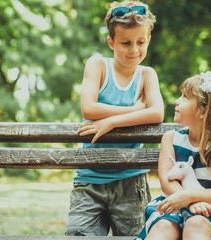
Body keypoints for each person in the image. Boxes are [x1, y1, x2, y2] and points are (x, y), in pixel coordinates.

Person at [66, 1, 164, 236]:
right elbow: (89, 109)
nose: (134, 50)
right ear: (111, 42)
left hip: (131, 180)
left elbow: (157, 113)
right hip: (90, 179)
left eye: (140, 42)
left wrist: (111, 121)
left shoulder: (147, 75)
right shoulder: (98, 65)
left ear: (148, 41)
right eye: (125, 43)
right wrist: (136, 111)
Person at [136, 71, 211, 240]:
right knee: (163, 227)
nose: (177, 101)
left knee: (196, 224)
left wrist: (189, 197)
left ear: (204, 111)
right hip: (173, 206)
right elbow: (167, 181)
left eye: (185, 97)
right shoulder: (171, 139)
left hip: (209, 212)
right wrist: (188, 201)